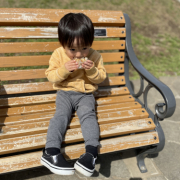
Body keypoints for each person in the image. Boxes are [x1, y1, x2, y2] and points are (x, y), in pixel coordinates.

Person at [41, 12, 107, 177]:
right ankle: (51, 152)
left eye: (84, 48)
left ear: (90, 42)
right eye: (72, 49)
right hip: (64, 92)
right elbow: (51, 76)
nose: (79, 54)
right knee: (60, 116)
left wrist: (91, 70)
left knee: (88, 116)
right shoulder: (58, 54)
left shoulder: (95, 56)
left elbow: (100, 78)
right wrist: (64, 69)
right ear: (63, 43)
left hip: (85, 94)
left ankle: (91, 154)